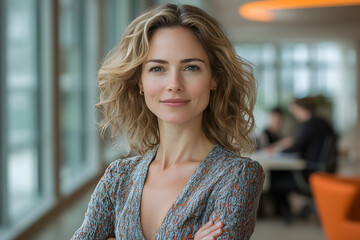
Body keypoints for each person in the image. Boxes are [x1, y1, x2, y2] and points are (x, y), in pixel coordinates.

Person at [72, 4, 264, 240]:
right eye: (157, 68)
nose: (174, 84)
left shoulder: (238, 176)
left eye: (191, 67)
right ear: (140, 82)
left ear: (214, 78)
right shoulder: (118, 176)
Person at [270, 97, 335, 220]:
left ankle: (282, 213)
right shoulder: (324, 122)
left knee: (275, 179)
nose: (294, 115)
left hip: (310, 173)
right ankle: (285, 210)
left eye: (294, 111)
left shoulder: (309, 124)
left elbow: (296, 146)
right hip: (321, 171)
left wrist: (276, 150)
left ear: (301, 109)